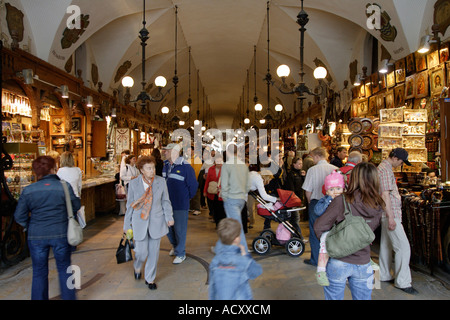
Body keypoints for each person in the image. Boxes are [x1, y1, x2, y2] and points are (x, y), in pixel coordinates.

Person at [14, 156, 81, 300]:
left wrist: (29, 226)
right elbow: (76, 205)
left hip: (36, 235)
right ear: (52, 169)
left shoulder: (29, 190)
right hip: (61, 233)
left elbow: (19, 216)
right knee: (65, 269)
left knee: (39, 272)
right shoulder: (64, 186)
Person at [314, 162, 384, 300]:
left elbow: (319, 227)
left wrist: (332, 242)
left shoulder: (342, 200)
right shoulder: (379, 204)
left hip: (339, 261)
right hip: (364, 261)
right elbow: (369, 230)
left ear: (354, 178)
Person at [123, 156, 174, 290]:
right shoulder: (134, 184)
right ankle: (138, 266)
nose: (152, 171)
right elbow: (129, 206)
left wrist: (169, 216)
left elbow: (165, 201)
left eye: (154, 168)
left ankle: (149, 279)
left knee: (153, 252)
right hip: (139, 221)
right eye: (149, 168)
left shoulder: (161, 181)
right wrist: (126, 225)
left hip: (156, 221)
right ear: (141, 170)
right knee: (141, 252)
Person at [377, 148, 418, 295]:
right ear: (395, 158)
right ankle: (403, 282)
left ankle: (384, 273)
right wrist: (391, 217)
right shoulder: (386, 170)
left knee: (386, 245)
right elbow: (385, 195)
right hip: (391, 213)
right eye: (401, 161)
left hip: (387, 213)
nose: (401, 164)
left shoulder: (383, 168)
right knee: (403, 247)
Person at [209, 218, 263, 300]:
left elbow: (212, 286)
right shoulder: (243, 261)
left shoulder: (215, 261)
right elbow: (256, 272)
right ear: (236, 239)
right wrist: (246, 255)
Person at [162, 143, 199, 264]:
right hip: (166, 203)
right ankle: (175, 246)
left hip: (180, 204)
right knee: (168, 228)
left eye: (167, 150)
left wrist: (187, 198)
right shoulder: (165, 165)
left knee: (179, 229)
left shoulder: (186, 167)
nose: (164, 152)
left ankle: (181, 253)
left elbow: (193, 185)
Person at [302, 147, 338, 266]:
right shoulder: (335, 169)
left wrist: (309, 202)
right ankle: (332, 259)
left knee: (314, 231)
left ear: (317, 156)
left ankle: (316, 260)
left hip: (316, 202)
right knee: (331, 230)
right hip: (332, 203)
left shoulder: (312, 170)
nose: (312, 159)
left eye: (313, 157)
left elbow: (308, 190)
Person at [313, 171, 345, 286]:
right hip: (329, 229)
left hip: (341, 228)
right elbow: (317, 211)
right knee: (324, 244)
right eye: (331, 189)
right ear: (326, 191)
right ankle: (321, 271)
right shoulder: (325, 200)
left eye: (338, 188)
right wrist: (328, 201)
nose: (335, 192)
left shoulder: (345, 200)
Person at [219, 142, 251, 252]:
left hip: (231, 199)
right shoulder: (243, 165)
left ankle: (243, 250)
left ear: (227, 152)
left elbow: (224, 184)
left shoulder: (226, 165)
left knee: (236, 226)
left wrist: (225, 197)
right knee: (231, 224)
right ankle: (227, 247)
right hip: (241, 199)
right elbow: (248, 185)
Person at [247, 161, 278, 230]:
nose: (269, 182)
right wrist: (276, 199)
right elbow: (264, 196)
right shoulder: (259, 180)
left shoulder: (255, 174)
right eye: (269, 180)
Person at [204, 157, 226, 227]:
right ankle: (217, 223)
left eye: (220, 161)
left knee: (222, 209)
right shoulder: (211, 169)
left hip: (222, 192)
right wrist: (205, 191)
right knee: (215, 209)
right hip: (212, 192)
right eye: (217, 161)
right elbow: (207, 181)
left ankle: (222, 224)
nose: (219, 163)